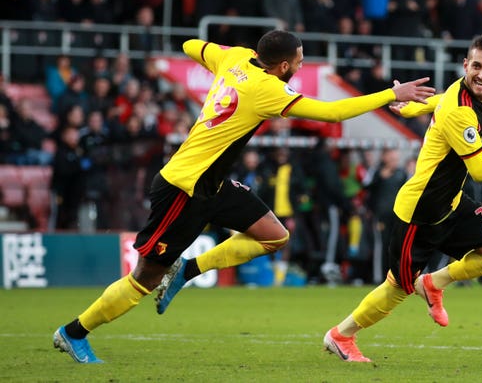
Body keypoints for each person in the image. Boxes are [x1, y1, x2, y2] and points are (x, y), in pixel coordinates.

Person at [52, 29, 434, 363]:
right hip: (184, 189)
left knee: (274, 236)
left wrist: (211, 58)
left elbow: (190, 44)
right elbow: (332, 113)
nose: (301, 67)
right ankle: (74, 332)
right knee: (145, 278)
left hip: (213, 184)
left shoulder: (234, 56)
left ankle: (188, 269)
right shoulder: (266, 89)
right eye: (298, 62)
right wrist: (391, 93)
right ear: (283, 66)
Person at [322, 35, 482, 362]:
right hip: (420, 212)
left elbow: (439, 101)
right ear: (465, 65)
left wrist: (411, 109)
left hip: (450, 202)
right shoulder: (460, 112)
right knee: (397, 289)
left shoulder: (471, 91)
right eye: (476, 66)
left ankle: (435, 282)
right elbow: (479, 170)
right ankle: (341, 335)